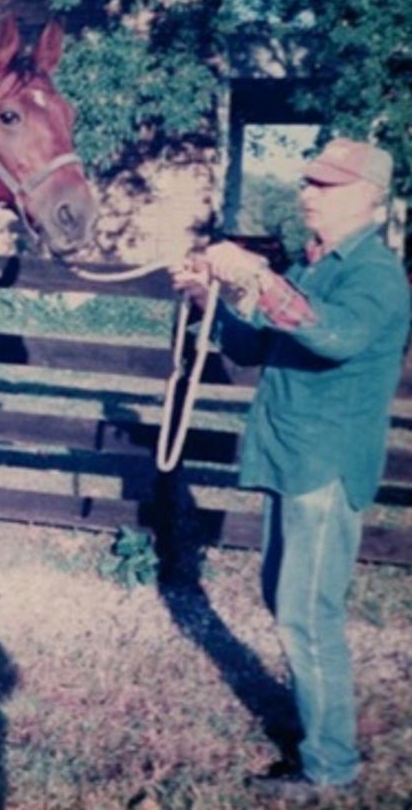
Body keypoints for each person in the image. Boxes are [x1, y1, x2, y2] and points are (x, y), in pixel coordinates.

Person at [171, 137, 410, 802]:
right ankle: (319, 730)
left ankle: (330, 765)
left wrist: (256, 275)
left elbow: (331, 335)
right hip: (291, 455)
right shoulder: (312, 267)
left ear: (366, 197)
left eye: (325, 185)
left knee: (309, 615)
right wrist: (207, 297)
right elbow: (253, 345)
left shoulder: (376, 275)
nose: (308, 192)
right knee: (290, 604)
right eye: (308, 181)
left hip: (326, 467)